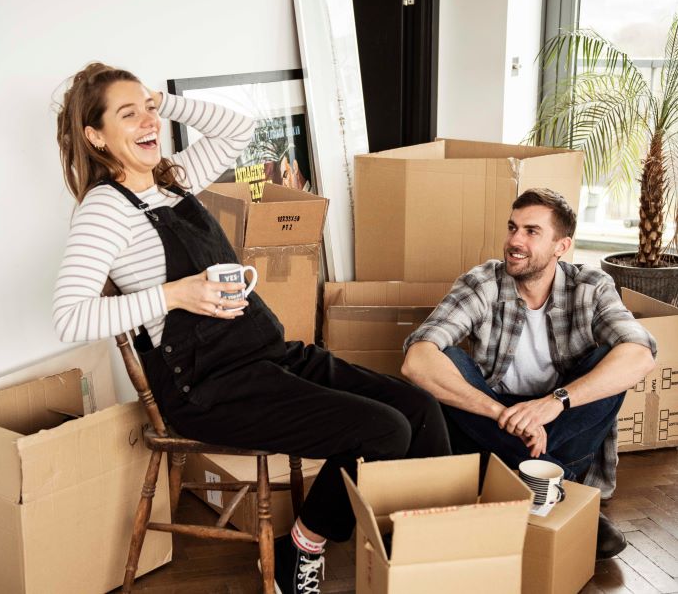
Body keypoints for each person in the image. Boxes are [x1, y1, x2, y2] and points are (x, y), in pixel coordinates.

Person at [53, 62, 450, 594]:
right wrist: (174, 294)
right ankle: (301, 546)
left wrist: (160, 102)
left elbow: (239, 128)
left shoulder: (173, 180)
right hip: (209, 385)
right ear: (94, 135)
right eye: (128, 114)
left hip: (267, 356)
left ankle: (433, 548)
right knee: (385, 430)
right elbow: (69, 316)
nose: (147, 121)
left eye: (148, 108)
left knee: (419, 408)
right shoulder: (105, 210)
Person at [401, 188, 656, 560]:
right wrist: (502, 414)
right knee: (447, 358)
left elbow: (641, 354)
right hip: (493, 420)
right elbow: (416, 360)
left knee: (612, 359)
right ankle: (558, 490)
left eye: (531, 231)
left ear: (561, 246)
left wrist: (555, 403)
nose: (514, 241)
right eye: (512, 227)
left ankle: (524, 479)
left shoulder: (591, 287)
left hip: (561, 420)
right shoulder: (482, 282)